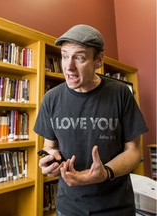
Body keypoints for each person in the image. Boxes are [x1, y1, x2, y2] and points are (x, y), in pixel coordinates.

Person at [34, 24, 148, 215]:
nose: (68, 66)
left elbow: (134, 151)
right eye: (64, 55)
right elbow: (49, 146)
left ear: (98, 60)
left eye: (79, 57)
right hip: (69, 208)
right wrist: (50, 161)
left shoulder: (120, 93)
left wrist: (105, 173)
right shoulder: (51, 99)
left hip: (115, 208)